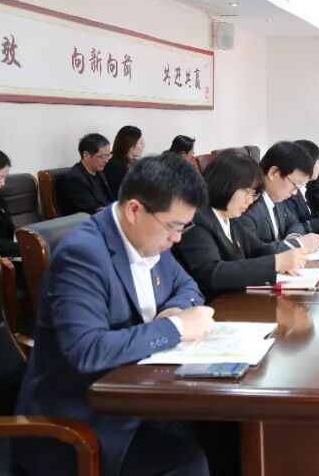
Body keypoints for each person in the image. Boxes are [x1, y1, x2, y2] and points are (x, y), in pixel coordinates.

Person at [13, 153, 217, 476]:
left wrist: (175, 309)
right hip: (81, 420)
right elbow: (87, 349)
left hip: (139, 396)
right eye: (173, 227)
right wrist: (176, 327)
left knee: (224, 428)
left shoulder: (151, 240)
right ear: (135, 210)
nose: (177, 238)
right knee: (189, 463)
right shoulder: (83, 255)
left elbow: (188, 286)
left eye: (183, 227)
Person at [172, 149, 308, 301]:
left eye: (254, 194)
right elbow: (211, 273)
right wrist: (275, 263)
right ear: (226, 184)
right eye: (247, 192)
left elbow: (259, 249)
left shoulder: (231, 219)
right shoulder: (197, 219)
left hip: (236, 300)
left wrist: (284, 261)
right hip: (212, 306)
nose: (250, 201)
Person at [236, 141, 319, 252]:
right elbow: (255, 252)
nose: (294, 193)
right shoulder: (247, 205)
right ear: (274, 173)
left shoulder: (276, 198)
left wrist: (293, 236)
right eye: (295, 184)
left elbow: (295, 224)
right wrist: (296, 244)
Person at [57, 133, 115, 215]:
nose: (106, 161)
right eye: (103, 157)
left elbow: (109, 200)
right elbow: (93, 210)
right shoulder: (75, 179)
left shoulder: (99, 172)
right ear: (86, 155)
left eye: (108, 156)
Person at [104, 125, 144, 192]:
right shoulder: (115, 167)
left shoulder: (134, 164)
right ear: (130, 145)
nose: (143, 146)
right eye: (141, 143)